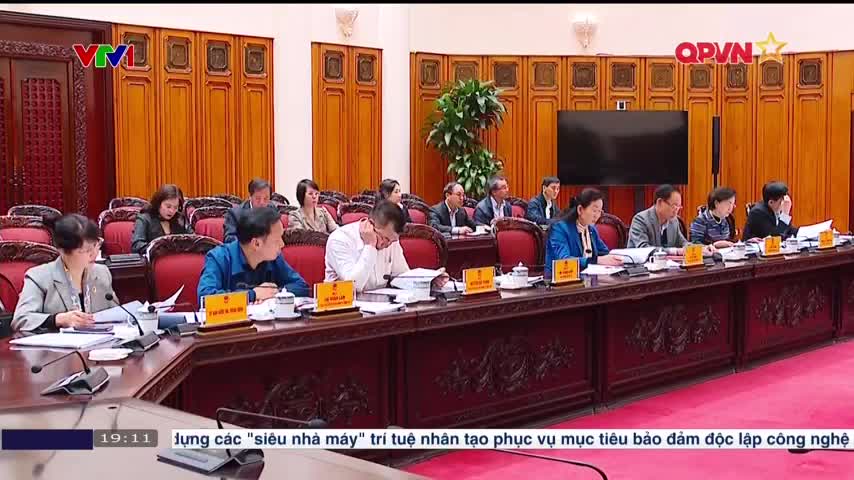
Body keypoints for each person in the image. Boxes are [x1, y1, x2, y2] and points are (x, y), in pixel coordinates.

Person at [13, 214, 115, 332]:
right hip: (55, 343)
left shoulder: (102, 273)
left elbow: (116, 313)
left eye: (95, 245)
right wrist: (57, 319)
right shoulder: (39, 277)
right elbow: (20, 320)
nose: (94, 254)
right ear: (63, 251)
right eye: (86, 250)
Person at [325, 200, 447, 293]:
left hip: (381, 308)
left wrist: (429, 281)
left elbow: (401, 276)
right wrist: (370, 246)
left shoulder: (391, 240)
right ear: (371, 225)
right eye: (385, 239)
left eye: (392, 241)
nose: (387, 245)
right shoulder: (340, 239)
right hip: (343, 309)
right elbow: (353, 286)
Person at [198, 206, 309, 304]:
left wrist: (274, 293)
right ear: (256, 243)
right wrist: (252, 295)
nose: (282, 244)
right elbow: (205, 299)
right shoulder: (219, 258)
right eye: (277, 240)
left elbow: (302, 286)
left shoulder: (274, 257)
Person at [545, 188, 623, 276]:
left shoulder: (591, 229)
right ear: (580, 209)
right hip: (560, 279)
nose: (597, 216)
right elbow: (564, 260)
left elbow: (604, 253)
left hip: (588, 278)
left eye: (599, 211)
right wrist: (596, 260)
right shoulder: (559, 228)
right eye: (594, 211)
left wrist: (615, 258)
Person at [628, 184, 711, 255]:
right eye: (674, 206)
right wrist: (675, 251)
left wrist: (703, 248)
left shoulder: (674, 221)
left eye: (679, 207)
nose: (676, 211)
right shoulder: (641, 220)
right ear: (659, 202)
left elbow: (683, 243)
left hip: (666, 266)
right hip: (638, 267)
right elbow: (643, 249)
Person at [131, 184, 191, 254]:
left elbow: (194, 240)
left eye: (175, 207)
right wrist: (158, 248)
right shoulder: (144, 219)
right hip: (153, 259)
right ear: (158, 203)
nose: (172, 211)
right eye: (168, 206)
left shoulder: (180, 219)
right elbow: (137, 245)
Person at [223, 178, 274, 243]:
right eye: (258, 198)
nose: (262, 202)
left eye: (266, 198)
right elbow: (229, 239)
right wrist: (249, 243)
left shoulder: (272, 209)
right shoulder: (235, 214)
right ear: (250, 197)